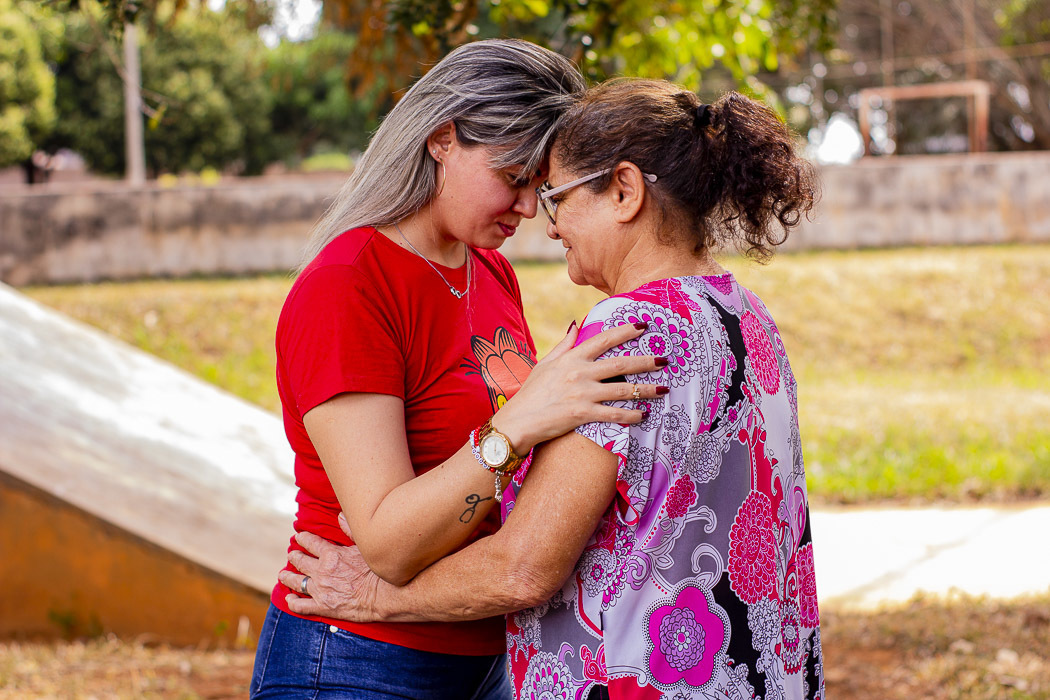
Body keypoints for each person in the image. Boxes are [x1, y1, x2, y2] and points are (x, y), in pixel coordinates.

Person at [283, 78, 824, 700]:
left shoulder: (625, 334)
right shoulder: (746, 314)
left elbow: (522, 568)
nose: (546, 223)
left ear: (624, 192)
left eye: (555, 196)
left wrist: (374, 596)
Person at [250, 43, 671, 700]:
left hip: (484, 658)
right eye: (514, 177)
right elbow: (388, 545)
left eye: (541, 186)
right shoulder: (348, 285)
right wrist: (520, 422)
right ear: (442, 140)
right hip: (356, 659)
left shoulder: (490, 271)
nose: (529, 208)